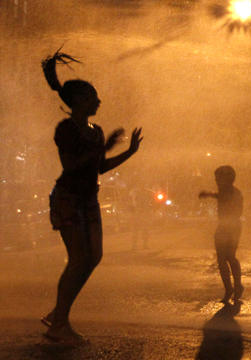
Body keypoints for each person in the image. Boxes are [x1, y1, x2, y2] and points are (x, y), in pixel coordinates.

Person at [40, 50, 143, 344]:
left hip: (89, 199)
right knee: (78, 259)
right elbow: (71, 166)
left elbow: (99, 167)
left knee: (94, 257)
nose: (98, 101)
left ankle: (59, 313)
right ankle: (59, 322)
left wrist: (128, 152)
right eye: (93, 97)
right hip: (69, 198)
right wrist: (104, 147)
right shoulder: (66, 129)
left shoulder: (95, 130)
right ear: (78, 101)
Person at [199, 166, 244, 303]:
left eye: (219, 178)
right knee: (223, 259)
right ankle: (231, 288)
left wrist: (209, 194)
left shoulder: (232, 193)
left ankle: (235, 287)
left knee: (228, 257)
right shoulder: (227, 191)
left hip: (231, 227)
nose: (216, 180)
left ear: (228, 179)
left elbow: (226, 200)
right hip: (226, 227)